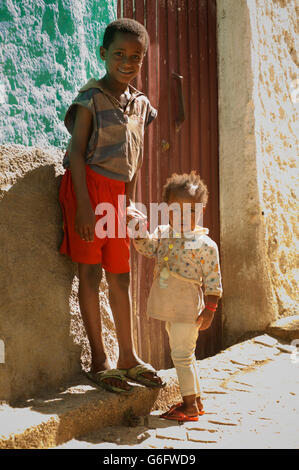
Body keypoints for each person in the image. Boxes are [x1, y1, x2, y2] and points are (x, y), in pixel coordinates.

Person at [58, 18, 164, 393]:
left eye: (135, 56)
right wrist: (84, 208)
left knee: (121, 276)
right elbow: (76, 152)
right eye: (118, 53)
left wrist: (130, 202)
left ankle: (128, 357)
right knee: (90, 274)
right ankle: (100, 360)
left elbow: (132, 156)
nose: (127, 61)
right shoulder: (90, 97)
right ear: (103, 54)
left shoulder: (141, 105)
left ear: (143, 59)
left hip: (118, 196)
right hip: (86, 191)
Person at [129, 171, 223, 420]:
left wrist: (210, 309)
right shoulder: (163, 233)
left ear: (201, 211)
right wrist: (139, 232)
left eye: (192, 211)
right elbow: (149, 249)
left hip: (187, 308)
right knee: (185, 352)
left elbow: (214, 282)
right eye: (177, 210)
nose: (184, 216)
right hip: (171, 305)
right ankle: (197, 401)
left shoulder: (205, 245)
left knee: (181, 355)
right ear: (166, 210)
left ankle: (189, 406)